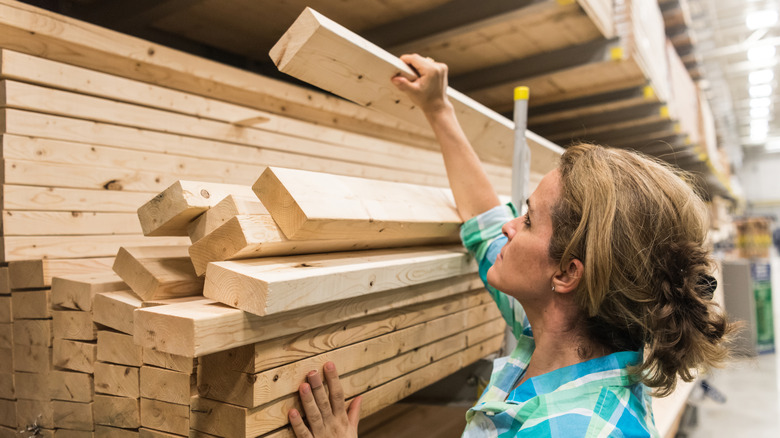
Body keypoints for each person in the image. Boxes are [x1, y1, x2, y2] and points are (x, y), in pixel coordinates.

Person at [287, 54, 734, 438]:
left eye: (528, 219)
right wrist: (438, 109)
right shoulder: (563, 331)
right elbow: (486, 224)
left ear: (566, 274)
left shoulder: (569, 430)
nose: (509, 227)